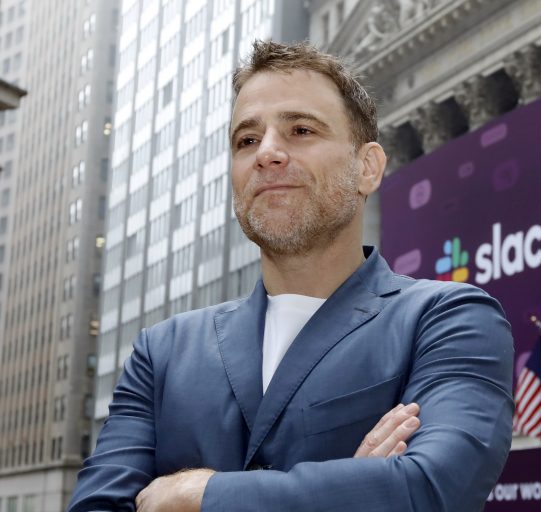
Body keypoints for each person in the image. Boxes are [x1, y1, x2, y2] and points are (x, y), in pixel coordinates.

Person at [69, 40, 514, 512]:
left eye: (300, 130)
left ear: (368, 167)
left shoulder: (450, 321)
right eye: (246, 140)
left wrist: (192, 494)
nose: (267, 153)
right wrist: (358, 489)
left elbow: (427, 490)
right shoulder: (160, 353)